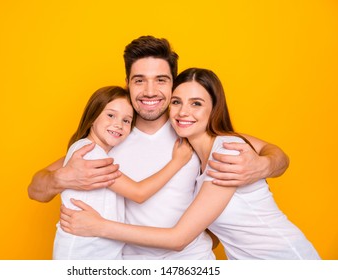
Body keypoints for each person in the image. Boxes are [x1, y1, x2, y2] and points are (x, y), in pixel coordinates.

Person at [28, 35, 290, 259]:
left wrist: (263, 165)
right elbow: (36, 189)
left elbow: (278, 156)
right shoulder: (112, 134)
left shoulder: (190, 131)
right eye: (139, 80)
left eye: (161, 80)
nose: (150, 91)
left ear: (173, 83)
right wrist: (59, 179)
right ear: (127, 82)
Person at [60, 68, 320, 260]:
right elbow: (42, 181)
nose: (184, 112)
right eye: (177, 102)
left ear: (213, 109)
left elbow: (178, 239)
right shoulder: (199, 158)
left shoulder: (227, 153)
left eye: (196, 104)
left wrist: (99, 226)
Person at [53, 85, 193, 259]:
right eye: (111, 115)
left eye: (126, 121)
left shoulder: (94, 151)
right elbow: (138, 193)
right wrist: (177, 162)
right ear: (92, 117)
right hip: (83, 255)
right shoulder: (90, 154)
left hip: (98, 253)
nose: (118, 124)